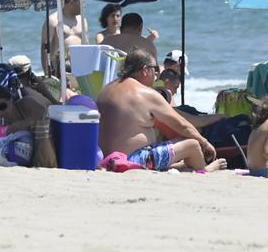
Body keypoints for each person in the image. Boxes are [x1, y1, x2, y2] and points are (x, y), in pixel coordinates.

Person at [96, 49, 224, 172]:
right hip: (133, 160)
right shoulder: (145, 93)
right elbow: (182, 125)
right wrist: (205, 143)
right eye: (155, 69)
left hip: (106, 159)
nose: (157, 75)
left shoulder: (105, 90)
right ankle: (205, 169)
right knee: (192, 145)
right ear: (145, 70)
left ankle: (182, 166)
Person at [42, 0, 88, 76]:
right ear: (71, 2)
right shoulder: (53, 20)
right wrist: (46, 73)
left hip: (80, 67)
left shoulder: (83, 20)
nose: (84, 6)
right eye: (82, 3)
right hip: (59, 67)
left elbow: (87, 45)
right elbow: (45, 48)